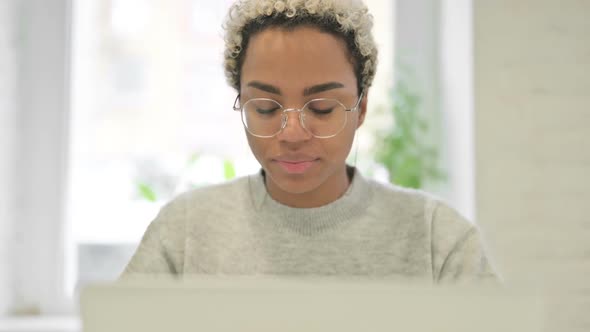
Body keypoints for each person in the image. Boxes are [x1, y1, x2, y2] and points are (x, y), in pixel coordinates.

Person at [122, 0, 498, 283]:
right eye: (266, 108)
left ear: (361, 108)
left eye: (321, 107)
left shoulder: (438, 239)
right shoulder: (185, 232)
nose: (293, 134)